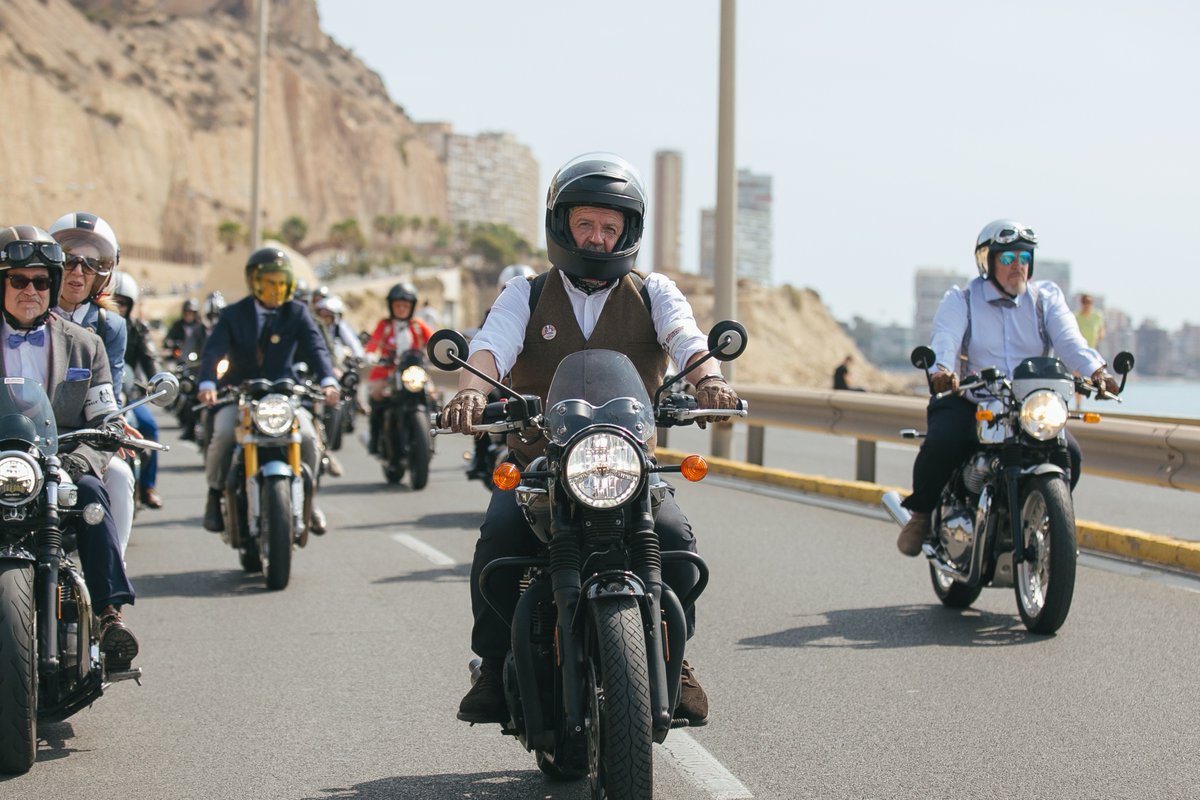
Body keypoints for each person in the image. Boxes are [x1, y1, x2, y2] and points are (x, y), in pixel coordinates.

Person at [441, 153, 740, 726]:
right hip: (540, 466)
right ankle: (493, 662)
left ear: (627, 232)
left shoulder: (654, 292)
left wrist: (711, 380)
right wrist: (472, 391)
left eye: (611, 227)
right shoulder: (523, 295)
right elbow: (490, 347)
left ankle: (674, 664)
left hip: (628, 468)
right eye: (587, 225)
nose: (598, 239)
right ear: (562, 225)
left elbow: (686, 339)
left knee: (676, 542)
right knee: (498, 539)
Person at [896, 219, 1119, 556]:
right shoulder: (963, 299)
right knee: (943, 441)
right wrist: (943, 369)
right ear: (988, 260)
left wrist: (1097, 371)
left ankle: (1043, 517)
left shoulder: (1046, 299)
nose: (1018, 266)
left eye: (1024, 258)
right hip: (975, 400)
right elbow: (947, 337)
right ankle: (922, 514)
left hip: (1030, 405)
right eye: (1008, 258)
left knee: (1069, 452)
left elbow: (1070, 341)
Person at [0, 225, 140, 669]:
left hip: (58, 459)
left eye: (41, 282)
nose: (31, 290)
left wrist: (78, 459)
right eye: (19, 280)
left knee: (97, 493)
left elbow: (105, 414)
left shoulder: (86, 345)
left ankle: (108, 614)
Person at [197, 247, 340, 534]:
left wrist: (328, 380)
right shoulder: (233, 315)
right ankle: (214, 495)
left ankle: (309, 502)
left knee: (310, 439)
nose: (276, 289)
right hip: (239, 393)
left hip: (284, 395)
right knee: (223, 433)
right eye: (269, 282)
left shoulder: (298, 312)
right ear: (254, 282)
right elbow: (213, 351)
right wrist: (208, 383)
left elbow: (316, 348)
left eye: (281, 282)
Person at [49, 212, 140, 559]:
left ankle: (109, 590)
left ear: (105, 271)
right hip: (24, 435)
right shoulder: (25, 309)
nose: (78, 271)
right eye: (69, 259)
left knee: (119, 475)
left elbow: (109, 388)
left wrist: (110, 424)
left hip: (81, 438)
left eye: (91, 263)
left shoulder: (110, 326)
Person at [111, 271, 165, 509]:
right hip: (97, 395)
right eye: (114, 301)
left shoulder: (138, 329)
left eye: (123, 303)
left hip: (129, 395)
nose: (118, 307)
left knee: (150, 428)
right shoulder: (96, 324)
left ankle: (148, 487)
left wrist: (158, 380)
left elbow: (149, 357)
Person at [363, 282, 433, 454]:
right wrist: (370, 354)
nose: (401, 309)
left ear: (412, 307)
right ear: (391, 306)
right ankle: (375, 437)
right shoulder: (385, 325)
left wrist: (439, 352)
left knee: (432, 394)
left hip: (413, 371)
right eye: (397, 305)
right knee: (377, 394)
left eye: (405, 305)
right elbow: (373, 344)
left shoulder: (418, 325)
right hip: (388, 371)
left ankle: (429, 434)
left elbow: (433, 341)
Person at [1073, 294, 1105, 410]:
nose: (1087, 305)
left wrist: (1099, 336)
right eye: (1085, 302)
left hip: (1092, 352)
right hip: (1079, 352)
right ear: (1082, 303)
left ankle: (1090, 398)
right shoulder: (1076, 317)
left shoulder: (1097, 316)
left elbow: (1101, 331)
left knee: (1092, 378)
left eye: (1089, 302)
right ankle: (1078, 404)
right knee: (1078, 378)